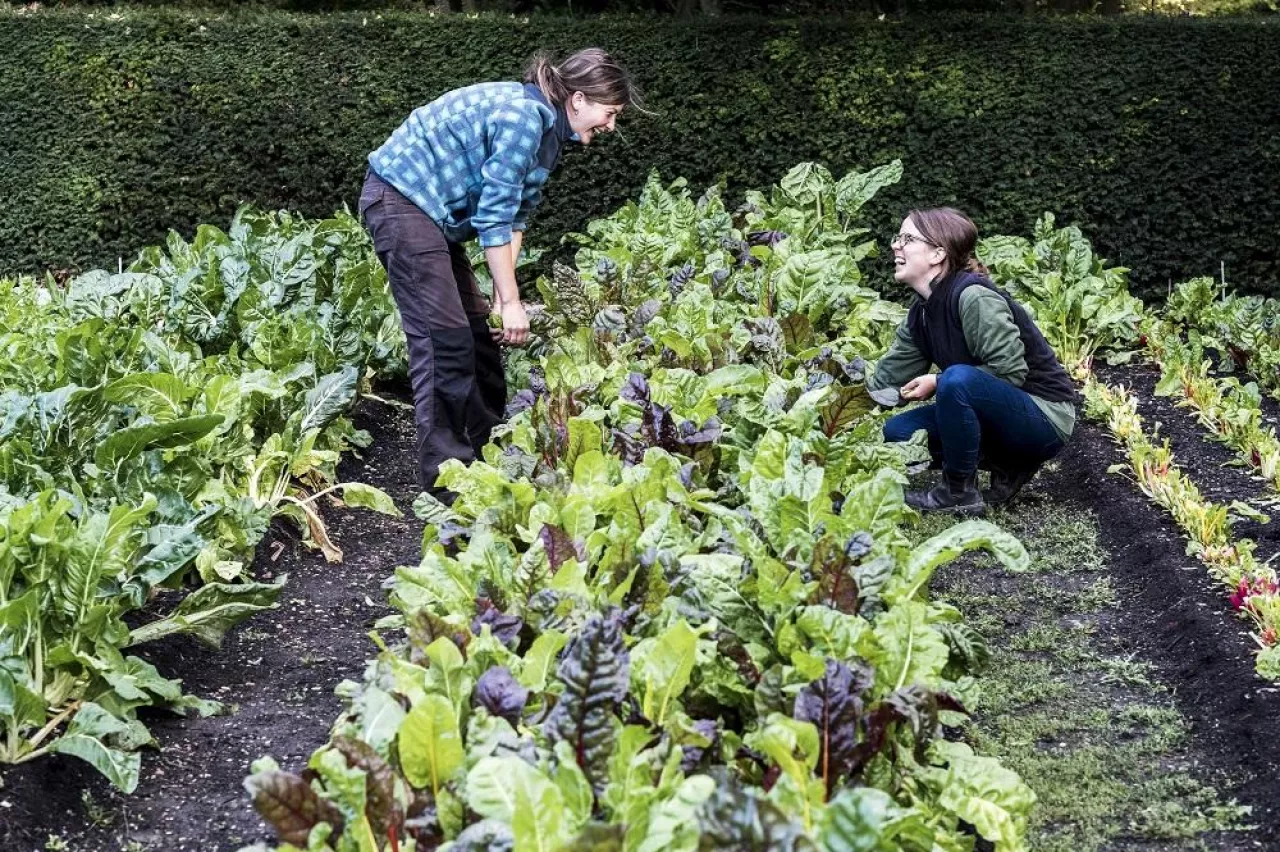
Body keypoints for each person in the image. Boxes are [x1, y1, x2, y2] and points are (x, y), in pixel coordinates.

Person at [358, 49, 637, 501]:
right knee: (443, 340)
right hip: (401, 200)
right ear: (580, 100)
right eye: (609, 114)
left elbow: (516, 218)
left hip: (430, 215)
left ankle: (488, 454)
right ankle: (447, 483)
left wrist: (500, 296)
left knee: (476, 333)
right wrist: (509, 302)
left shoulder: (548, 131)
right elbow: (493, 217)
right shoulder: (526, 117)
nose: (610, 126)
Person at [866, 207, 1077, 513]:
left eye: (907, 238)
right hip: (995, 408)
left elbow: (1009, 372)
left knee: (956, 380)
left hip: (1043, 416)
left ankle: (958, 493)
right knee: (898, 432)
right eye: (898, 238)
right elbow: (885, 383)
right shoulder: (921, 314)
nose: (895, 245)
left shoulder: (973, 297)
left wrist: (937, 382)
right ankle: (1007, 466)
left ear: (937, 254)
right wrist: (830, 406)